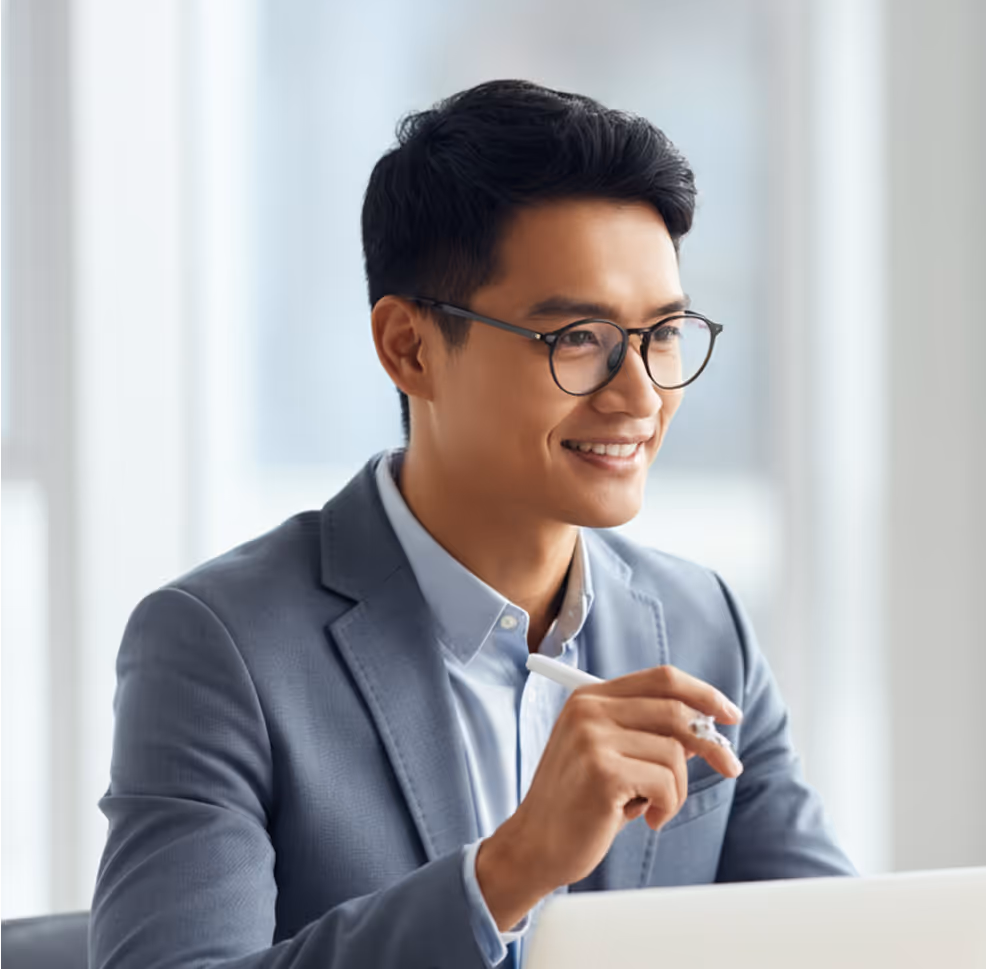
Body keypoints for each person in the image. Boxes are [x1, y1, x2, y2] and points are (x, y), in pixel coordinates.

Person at [90, 79, 853, 969]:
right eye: (578, 336)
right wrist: (509, 872)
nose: (641, 395)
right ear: (409, 348)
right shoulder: (222, 647)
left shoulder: (700, 623)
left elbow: (842, 941)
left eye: (663, 332)